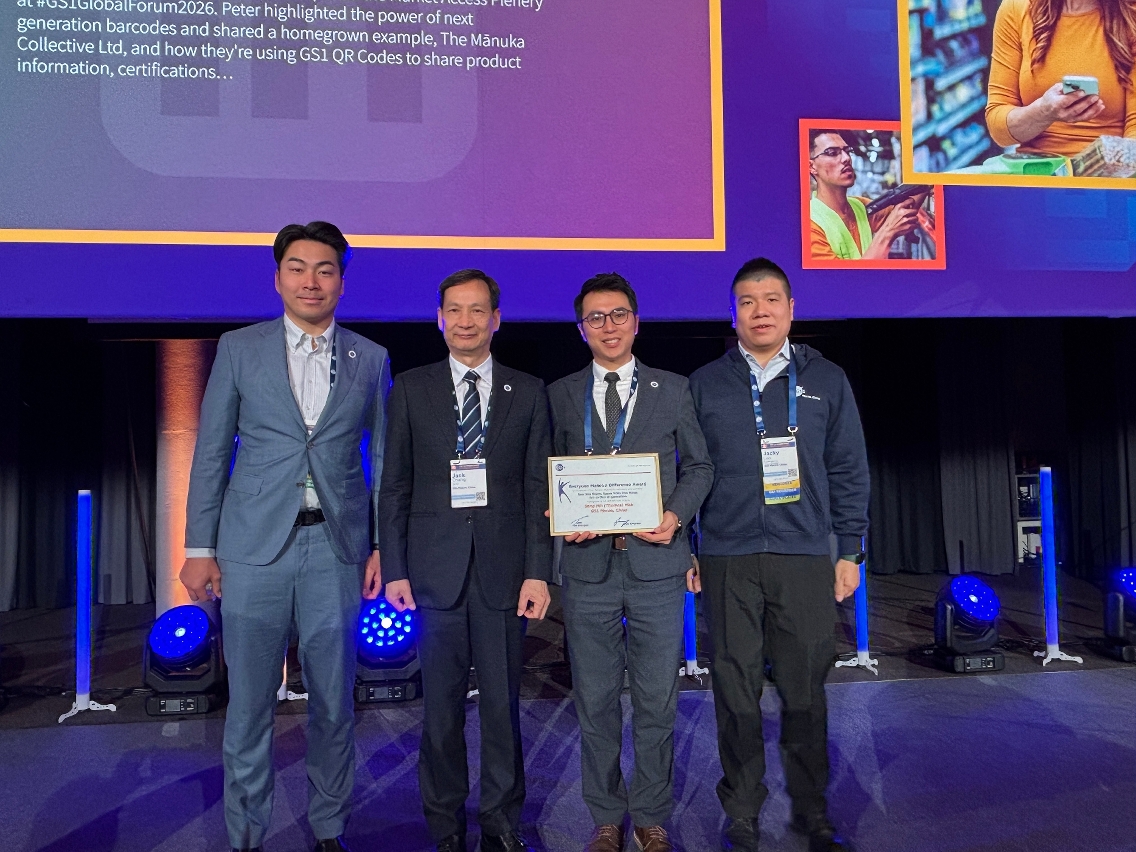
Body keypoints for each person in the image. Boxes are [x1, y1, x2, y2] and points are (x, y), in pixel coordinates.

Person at [180, 221, 390, 852]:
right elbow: (211, 452)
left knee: (334, 706)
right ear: (278, 278)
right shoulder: (238, 349)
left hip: (336, 549)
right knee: (249, 708)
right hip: (252, 552)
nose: (311, 281)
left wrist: (383, 546)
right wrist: (199, 548)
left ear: (342, 282)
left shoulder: (371, 357)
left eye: (325, 269)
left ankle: (329, 830)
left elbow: (383, 461)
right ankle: (246, 835)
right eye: (297, 268)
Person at [688, 258, 870, 852]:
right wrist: (691, 545)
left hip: (804, 556)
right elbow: (689, 471)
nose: (759, 311)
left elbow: (848, 468)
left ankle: (812, 812)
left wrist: (850, 549)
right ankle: (741, 809)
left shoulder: (828, 379)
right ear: (733, 313)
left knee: (806, 689)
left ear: (791, 308)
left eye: (771, 300)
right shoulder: (704, 384)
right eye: (747, 301)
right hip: (728, 556)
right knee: (734, 687)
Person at [379, 269, 553, 852]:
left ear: (496, 319)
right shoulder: (411, 388)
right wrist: (396, 568)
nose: (466, 321)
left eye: (478, 310)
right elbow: (395, 486)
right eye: (454, 310)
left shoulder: (528, 391)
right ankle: (445, 827)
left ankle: (501, 823)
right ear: (439, 319)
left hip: (504, 574)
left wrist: (538, 571)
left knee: (503, 709)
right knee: (440, 714)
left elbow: (537, 489)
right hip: (434, 573)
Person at [547, 274, 714, 852]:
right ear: (581, 329)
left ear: (636, 322)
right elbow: (545, 473)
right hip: (588, 568)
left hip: (656, 566)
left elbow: (699, 468)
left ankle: (650, 814)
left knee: (655, 700)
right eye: (595, 317)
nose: (608, 326)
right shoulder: (560, 394)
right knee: (594, 701)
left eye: (618, 314)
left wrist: (675, 516)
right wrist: (559, 509)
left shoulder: (673, 388)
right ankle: (604, 817)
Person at [986, 0, 1136, 157]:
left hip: (1110, 166)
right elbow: (998, 129)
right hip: (1038, 166)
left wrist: (1114, 166)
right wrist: (1042, 112)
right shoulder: (1017, 8)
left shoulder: (1130, 14)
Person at [807, 130, 923, 261]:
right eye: (832, 153)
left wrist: (928, 175)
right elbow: (848, 276)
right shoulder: (809, 224)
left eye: (847, 151)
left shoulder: (860, 206)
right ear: (812, 166)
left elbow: (906, 210)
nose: (846, 158)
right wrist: (887, 233)